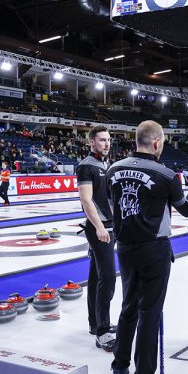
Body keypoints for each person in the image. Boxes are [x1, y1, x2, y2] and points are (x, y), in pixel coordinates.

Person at [107, 120, 188, 374]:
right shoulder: (166, 175)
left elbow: (112, 207)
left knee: (128, 305)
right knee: (149, 311)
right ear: (156, 143)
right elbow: (187, 210)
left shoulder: (113, 169)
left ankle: (119, 366)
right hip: (154, 248)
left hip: (125, 247)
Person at [77, 126, 117, 352]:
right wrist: (100, 227)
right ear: (92, 142)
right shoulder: (86, 166)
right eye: (102, 140)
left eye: (108, 140)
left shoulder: (106, 166)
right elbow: (86, 200)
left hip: (110, 227)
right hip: (99, 229)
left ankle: (95, 323)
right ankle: (102, 331)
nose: (107, 144)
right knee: (108, 278)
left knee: (96, 277)